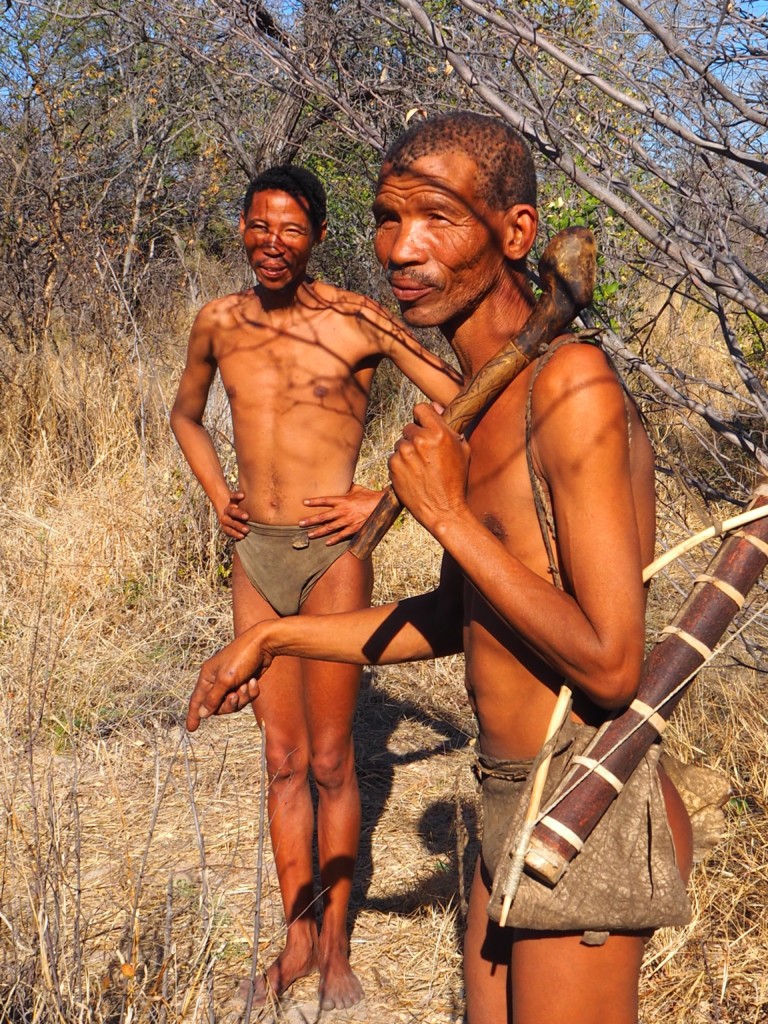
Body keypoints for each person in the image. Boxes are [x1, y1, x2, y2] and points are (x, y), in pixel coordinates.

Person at [185, 116, 695, 1023]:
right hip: (504, 795)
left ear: (517, 234)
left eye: (438, 219)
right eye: (387, 218)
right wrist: (274, 638)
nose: (402, 248)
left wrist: (448, 515)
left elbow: (613, 664)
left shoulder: (570, 390)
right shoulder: (479, 410)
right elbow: (457, 619)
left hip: (582, 794)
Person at [170, 163, 461, 1011]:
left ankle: (337, 951)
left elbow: (458, 402)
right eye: (259, 226)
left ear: (319, 237)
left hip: (334, 559)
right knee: (281, 757)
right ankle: (295, 941)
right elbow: (185, 414)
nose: (272, 243)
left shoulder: (355, 319)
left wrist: (388, 494)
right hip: (254, 557)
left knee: (334, 760)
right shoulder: (218, 321)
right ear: (242, 228)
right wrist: (217, 488)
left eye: (291, 229)